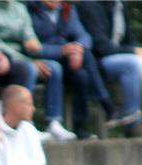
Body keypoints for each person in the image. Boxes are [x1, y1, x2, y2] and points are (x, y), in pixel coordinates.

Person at [0, 0, 76, 141]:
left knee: (54, 68)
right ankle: (26, 124)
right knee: (29, 69)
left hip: (24, 56)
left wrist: (33, 44)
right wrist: (29, 61)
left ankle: (53, 121)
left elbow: (29, 35)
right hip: (3, 58)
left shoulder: (19, 8)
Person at [29, 0, 116, 139]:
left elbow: (84, 36)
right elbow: (31, 47)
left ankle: (80, 128)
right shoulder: (30, 10)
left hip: (69, 60)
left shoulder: (67, 9)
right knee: (72, 67)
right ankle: (105, 101)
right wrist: (61, 51)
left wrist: (78, 49)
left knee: (82, 75)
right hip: (45, 61)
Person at [75, 0, 142, 134]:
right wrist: (131, 50)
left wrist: (140, 50)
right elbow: (101, 46)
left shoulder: (120, 4)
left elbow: (129, 39)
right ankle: (131, 119)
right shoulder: (90, 5)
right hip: (97, 61)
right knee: (131, 64)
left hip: (117, 53)